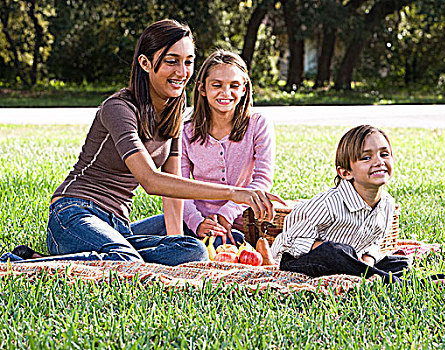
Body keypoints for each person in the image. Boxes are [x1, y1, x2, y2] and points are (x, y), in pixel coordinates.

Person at [2, 19, 282, 266]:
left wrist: (176, 242)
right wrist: (234, 192)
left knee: (192, 248)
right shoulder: (118, 108)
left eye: (188, 61)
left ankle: (112, 253)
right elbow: (150, 180)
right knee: (125, 261)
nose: (182, 71)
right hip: (75, 213)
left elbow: (173, 190)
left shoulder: (174, 106)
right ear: (145, 63)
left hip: (120, 224)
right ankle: (24, 264)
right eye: (171, 61)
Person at [271, 125, 410, 283]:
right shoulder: (328, 204)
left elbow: (374, 243)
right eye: (366, 157)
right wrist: (328, 249)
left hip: (351, 262)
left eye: (384, 154)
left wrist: (366, 262)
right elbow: (287, 242)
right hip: (303, 261)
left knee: (401, 263)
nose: (379, 161)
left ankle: (369, 276)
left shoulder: (387, 204)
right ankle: (395, 282)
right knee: (336, 251)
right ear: (345, 173)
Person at [182, 49, 275, 248]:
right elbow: (177, 187)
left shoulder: (258, 124)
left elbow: (262, 180)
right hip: (193, 221)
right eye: (217, 85)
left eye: (234, 85)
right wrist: (196, 223)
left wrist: (227, 214)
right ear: (202, 88)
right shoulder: (186, 132)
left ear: (244, 89)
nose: (226, 93)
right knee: (128, 232)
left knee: (208, 247)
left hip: (238, 225)